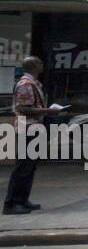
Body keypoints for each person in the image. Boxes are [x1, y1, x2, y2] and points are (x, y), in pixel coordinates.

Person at [4, 57, 62, 215]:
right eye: (41, 63)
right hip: (27, 128)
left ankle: (22, 200)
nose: (43, 65)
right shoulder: (25, 84)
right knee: (23, 166)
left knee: (29, 166)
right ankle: (12, 203)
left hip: (33, 127)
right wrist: (48, 111)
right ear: (35, 66)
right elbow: (23, 108)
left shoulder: (33, 84)